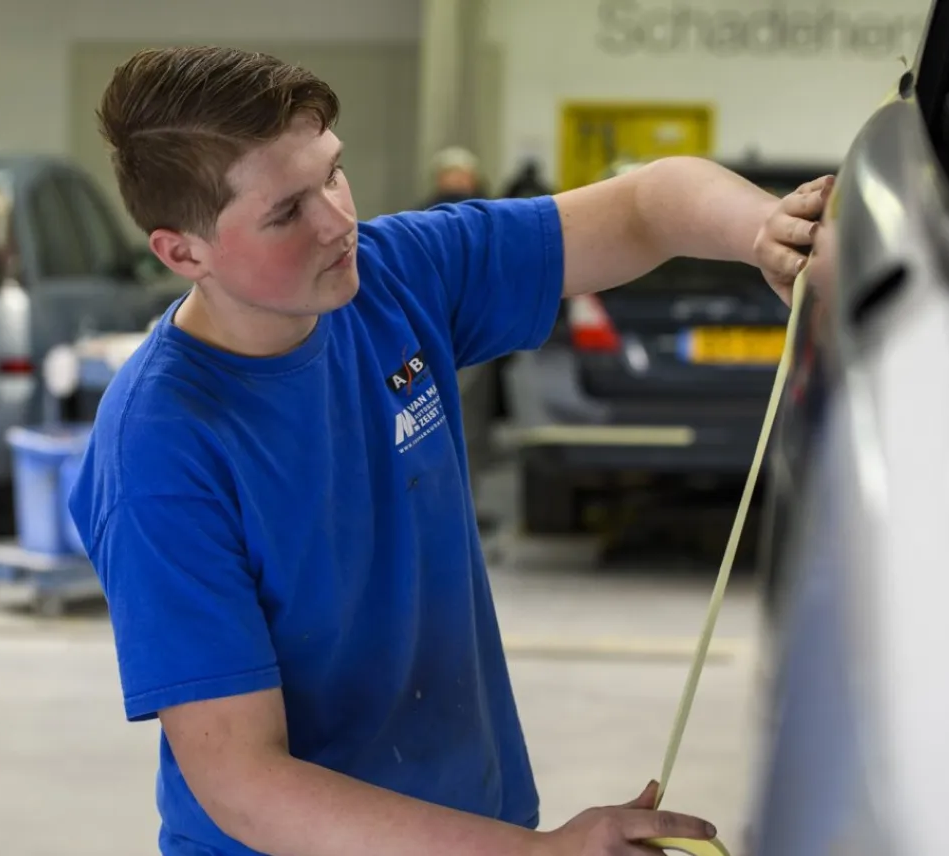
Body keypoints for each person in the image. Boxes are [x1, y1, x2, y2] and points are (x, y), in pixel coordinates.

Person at [67, 45, 830, 856]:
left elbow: (647, 206)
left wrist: (766, 231)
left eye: (332, 173)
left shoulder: (391, 276)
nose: (337, 220)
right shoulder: (160, 450)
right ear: (183, 252)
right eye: (286, 212)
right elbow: (246, 786)